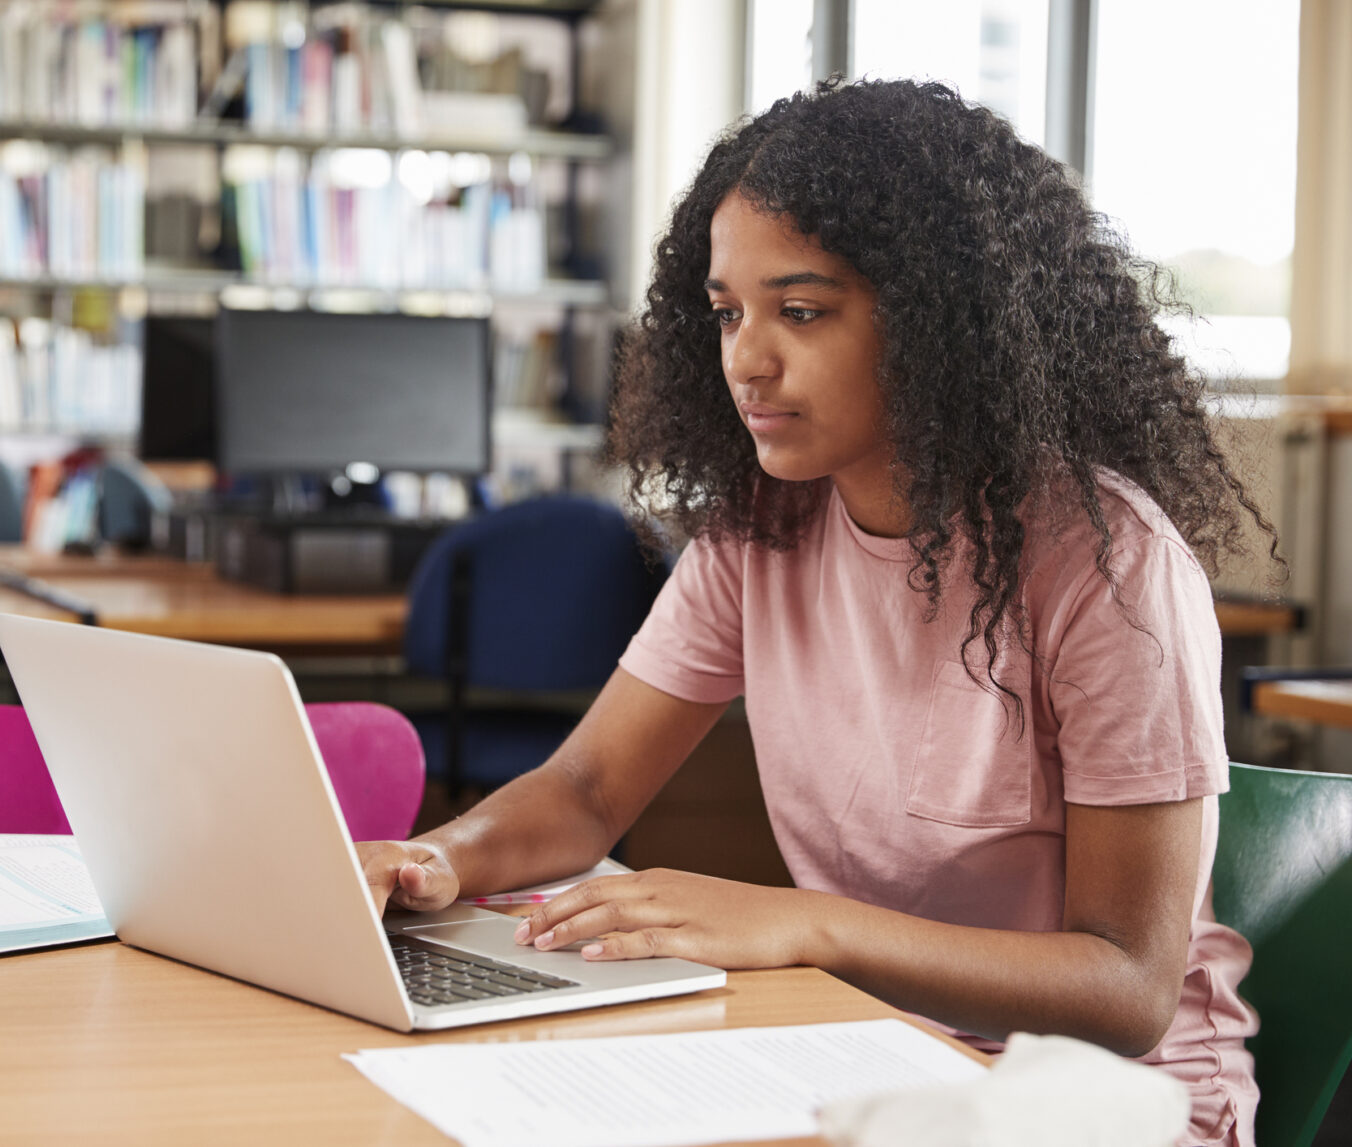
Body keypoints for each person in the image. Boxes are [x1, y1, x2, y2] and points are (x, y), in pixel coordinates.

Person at [358, 78, 1269, 1147]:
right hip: (864, 1054)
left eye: (800, 311)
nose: (745, 358)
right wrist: (439, 859)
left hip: (1101, 1104)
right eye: (726, 313)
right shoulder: (759, 528)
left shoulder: (1107, 565)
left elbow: (1127, 986)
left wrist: (805, 925)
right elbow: (590, 785)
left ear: (941, 319)